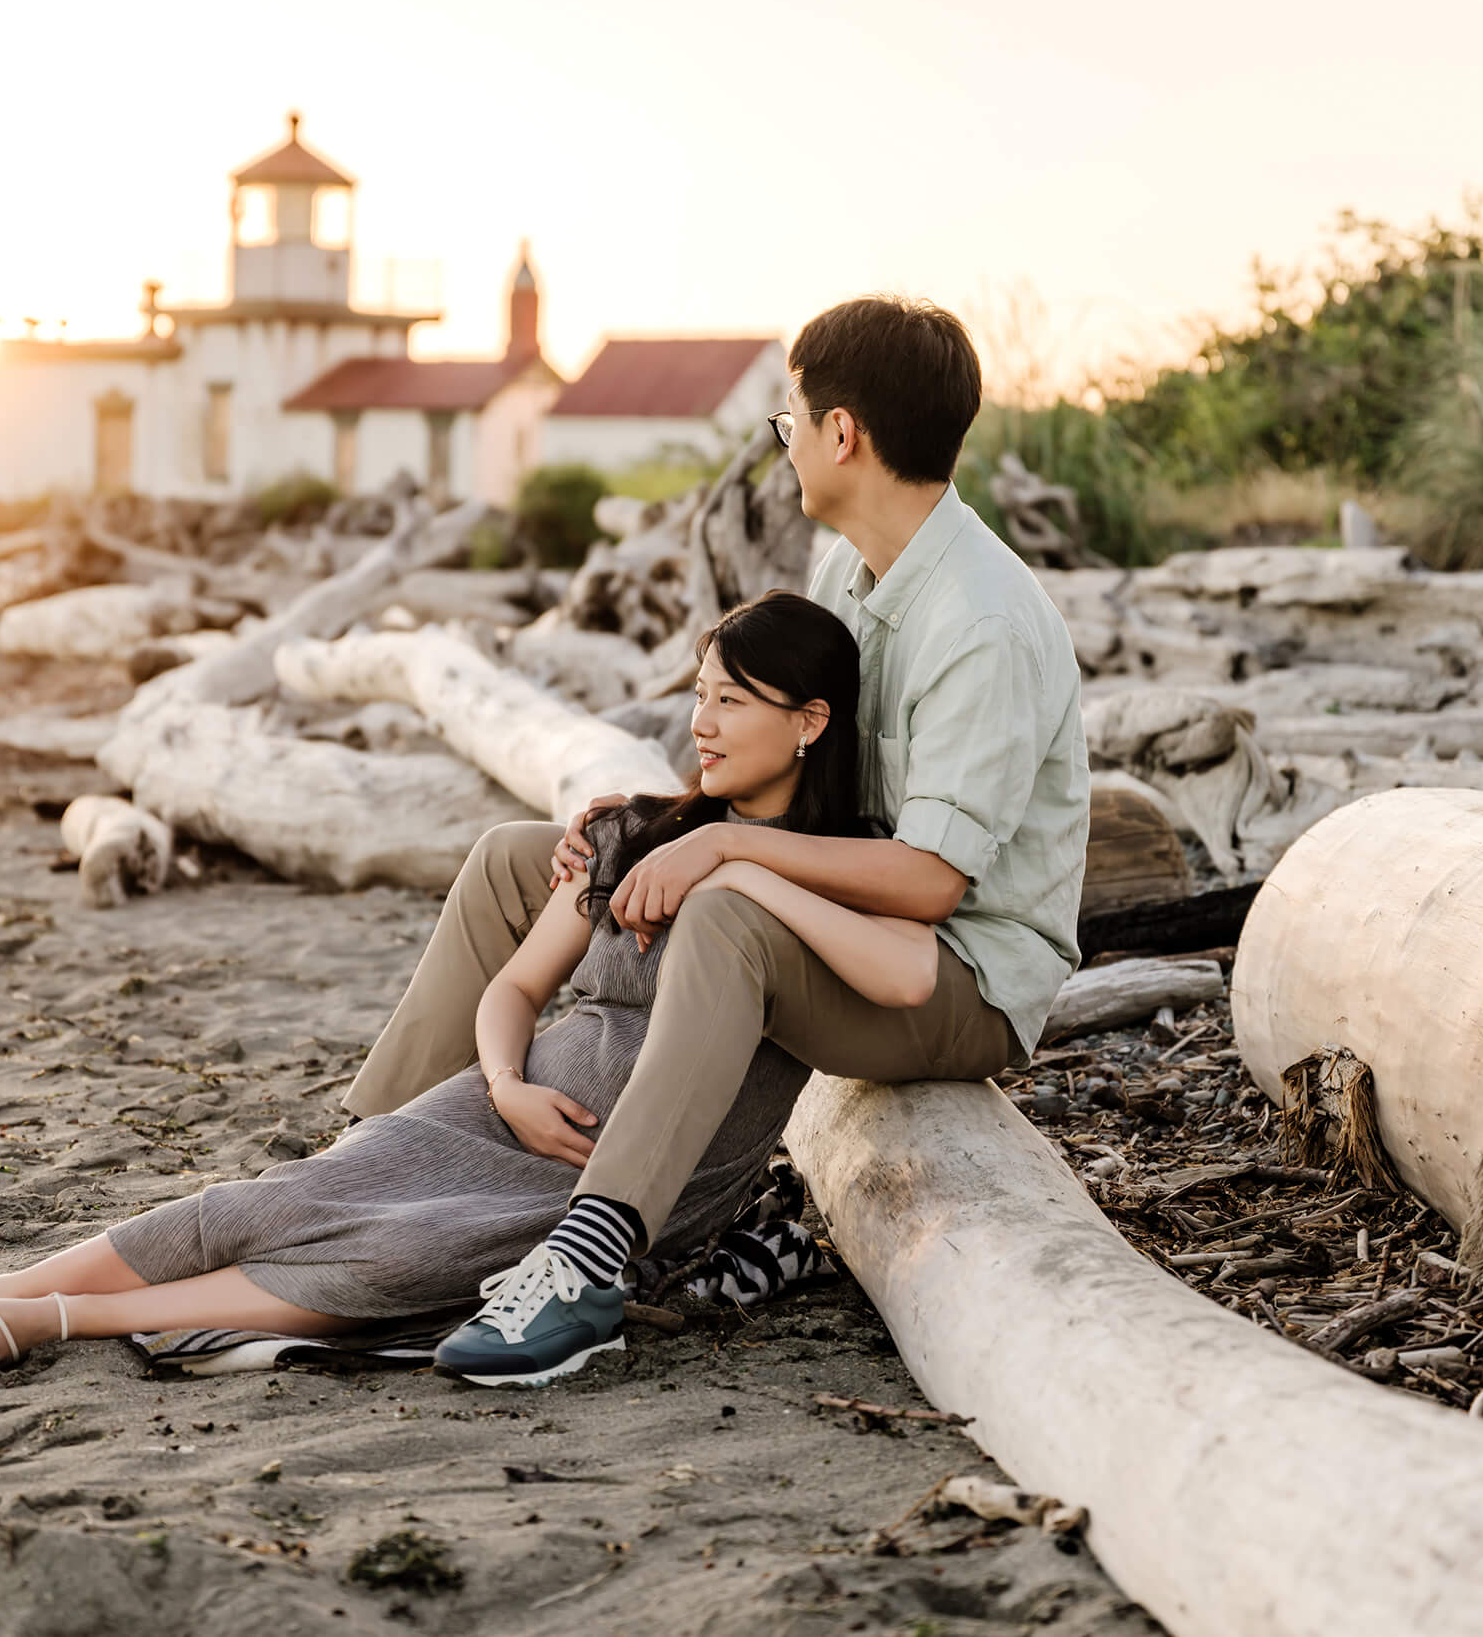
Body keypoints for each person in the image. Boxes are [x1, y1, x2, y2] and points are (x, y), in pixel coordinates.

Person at [0, 593, 938, 1381]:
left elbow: (904, 970)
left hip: (633, 1179)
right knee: (262, 1204)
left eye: (733, 702)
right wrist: (502, 1082)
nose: (700, 723)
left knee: (395, 1257)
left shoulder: (815, 883)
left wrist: (739, 859)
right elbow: (514, 989)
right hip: (518, 1107)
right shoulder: (632, 835)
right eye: (697, 694)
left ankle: (61, 1320)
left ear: (810, 723)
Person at [376, 295, 1090, 1385]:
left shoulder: (980, 621)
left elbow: (931, 883)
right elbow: (774, 763)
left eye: (788, 421)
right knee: (517, 860)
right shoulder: (847, 569)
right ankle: (372, 1145)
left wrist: (720, 853)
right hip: (839, 907)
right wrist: (657, 829)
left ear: (841, 433)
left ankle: (589, 1260)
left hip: (950, 979)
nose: (784, 444)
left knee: (725, 914)